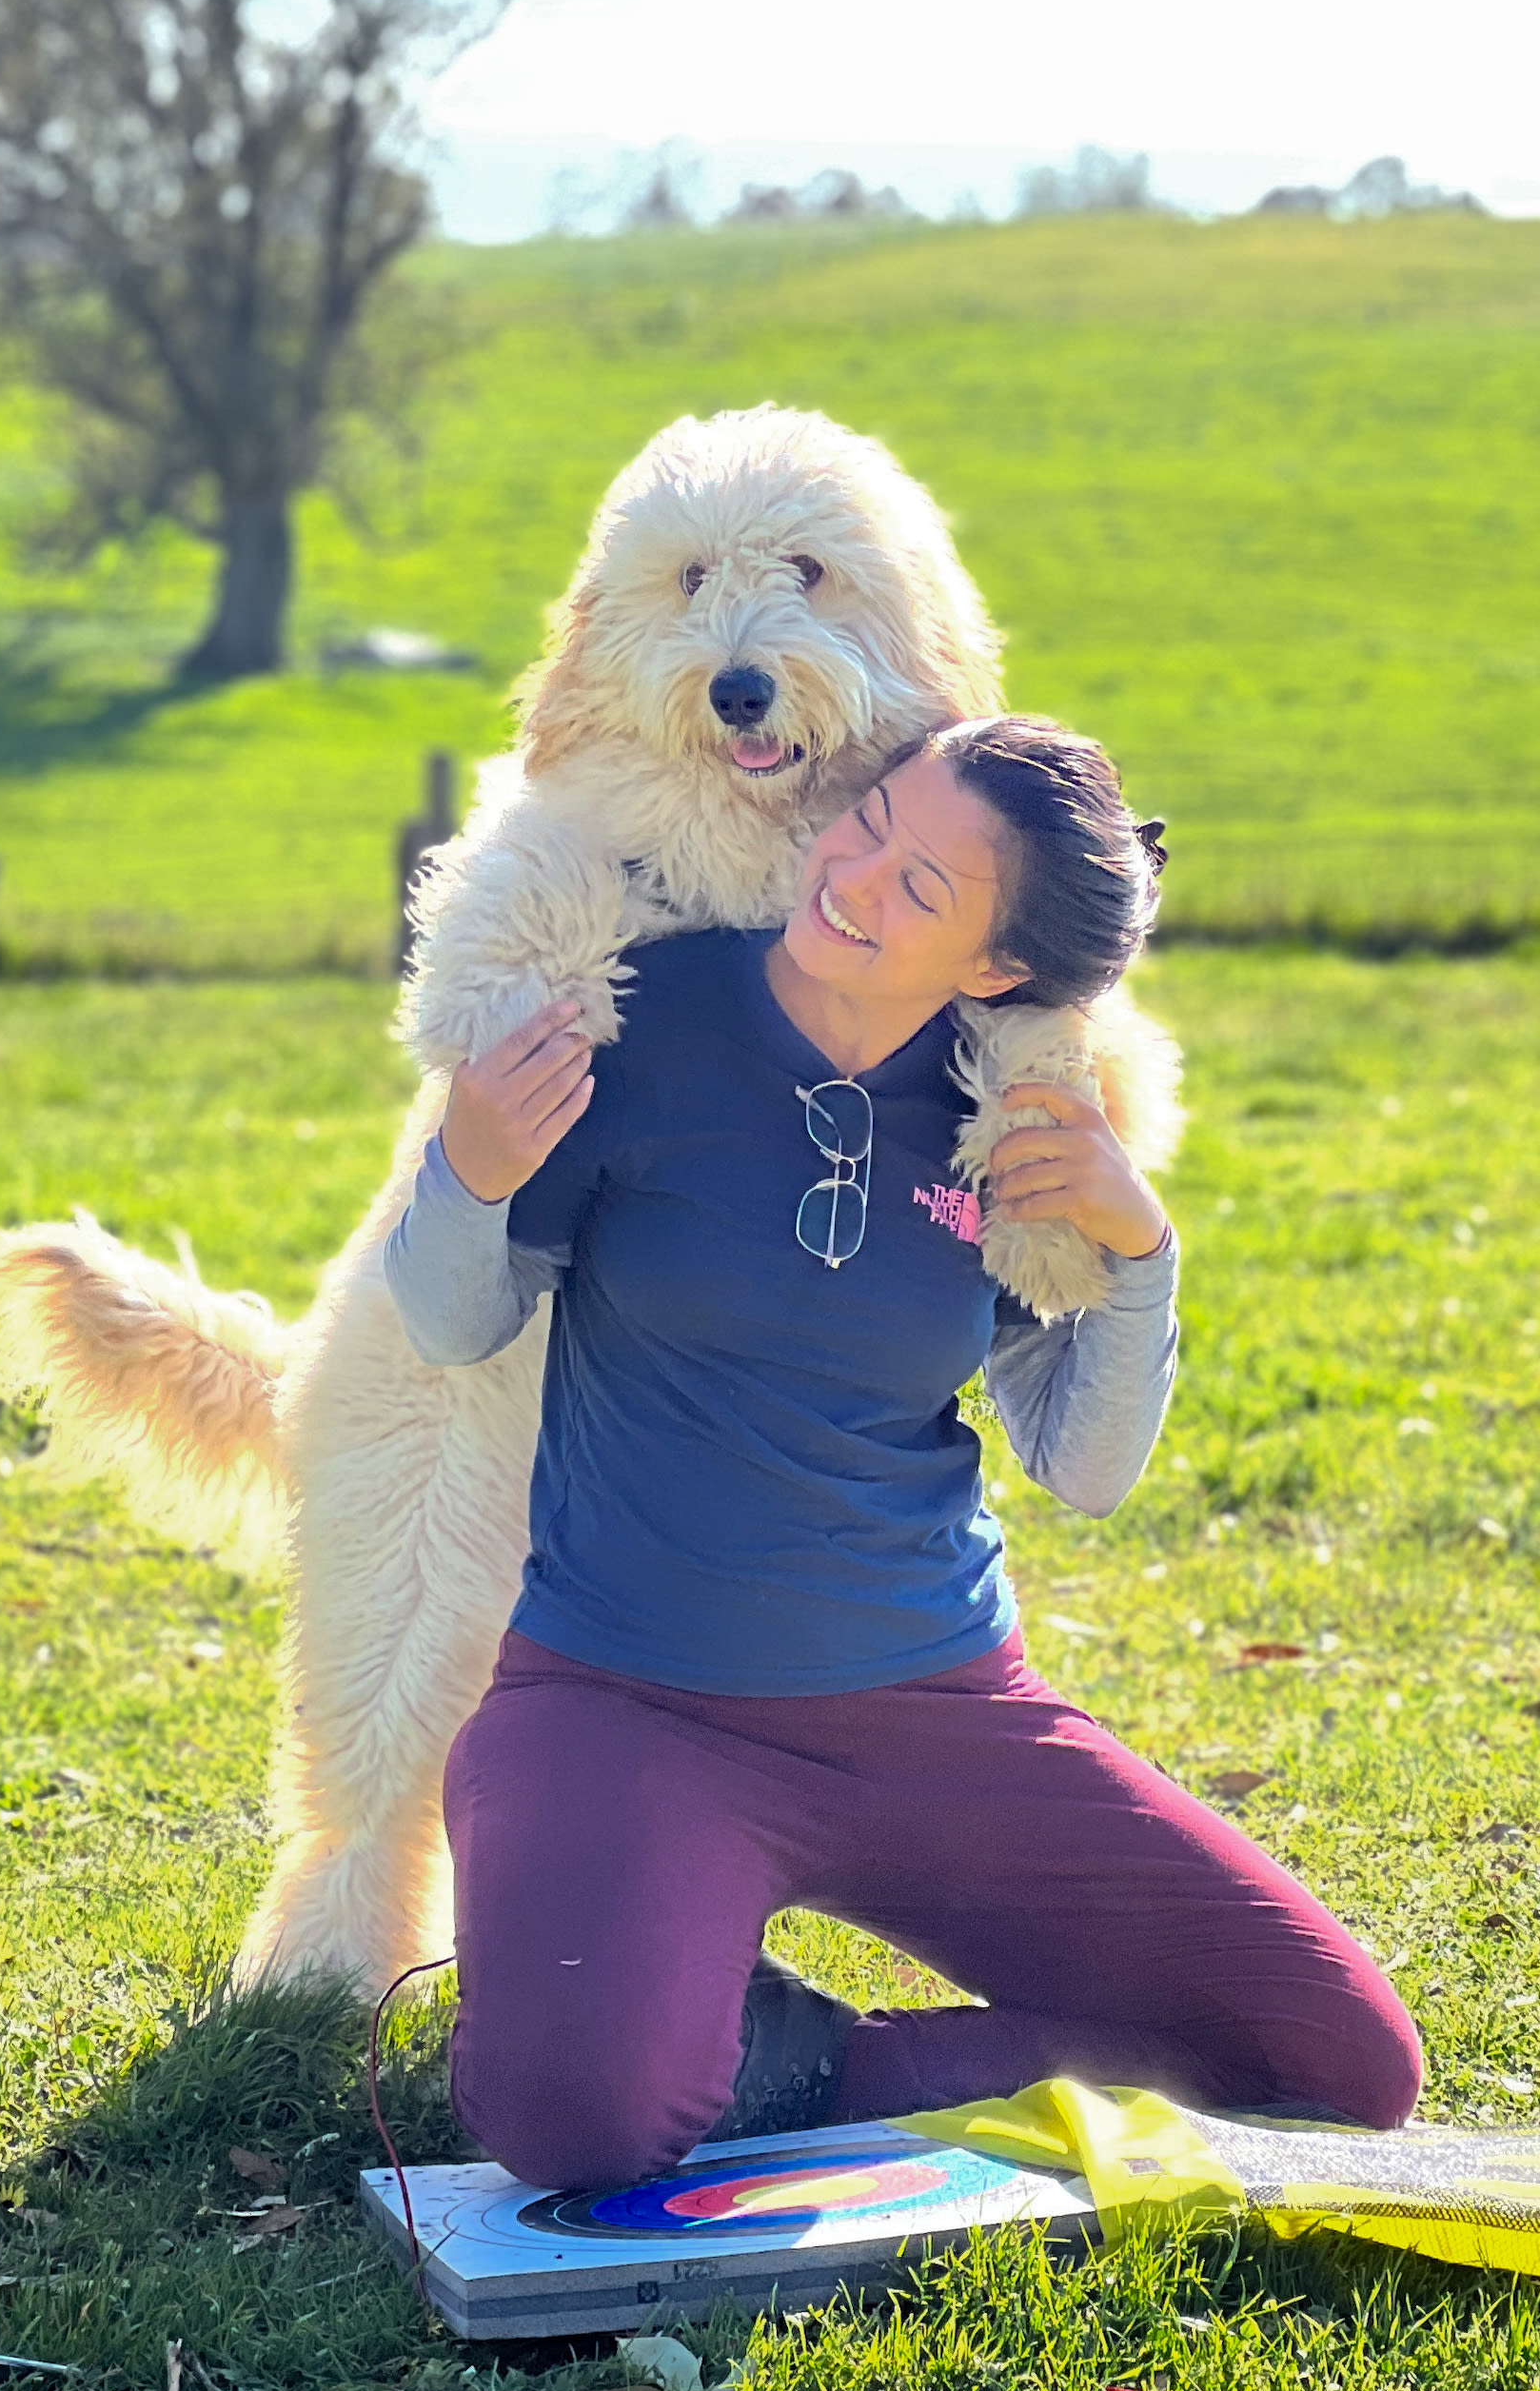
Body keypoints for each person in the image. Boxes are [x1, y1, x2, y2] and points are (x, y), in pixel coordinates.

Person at [383, 715, 1421, 2190]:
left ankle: (803, 2058)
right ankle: (629, 1975)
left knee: (1336, 2062)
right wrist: (469, 1167)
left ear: (994, 967)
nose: (851, 873)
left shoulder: (1008, 1111)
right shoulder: (635, 1019)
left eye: (921, 886)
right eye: (871, 821)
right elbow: (449, 1319)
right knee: (578, 2124)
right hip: (627, 1702)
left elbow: (1083, 1462)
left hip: (942, 1709)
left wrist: (1138, 1255)